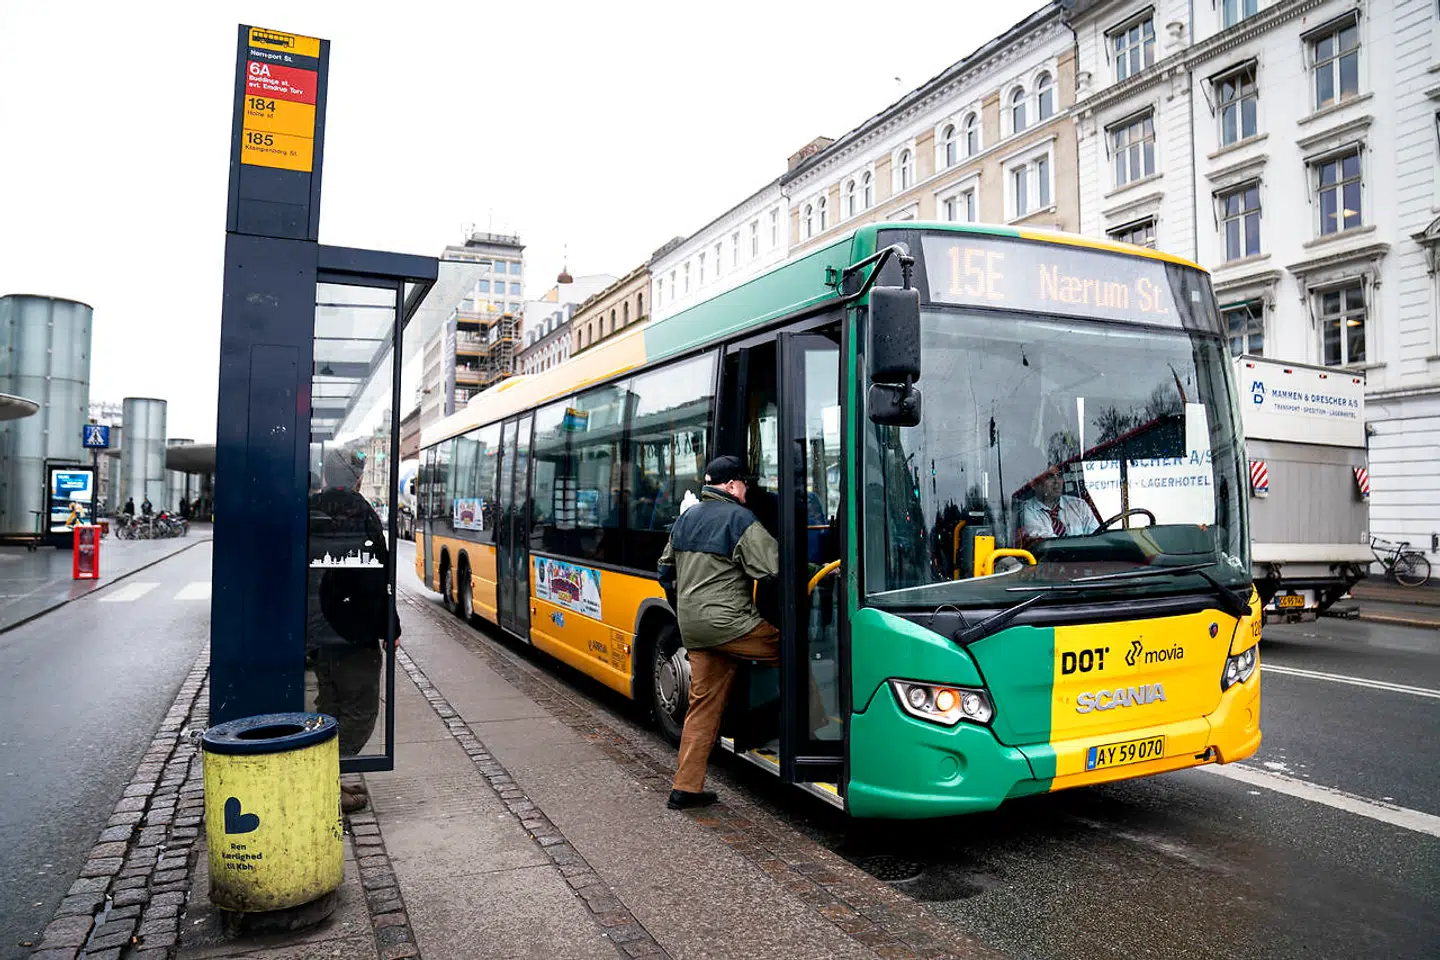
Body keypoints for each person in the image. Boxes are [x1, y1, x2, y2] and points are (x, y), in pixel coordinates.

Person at [657, 455, 783, 810]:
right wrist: (817, 570)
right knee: (795, 655)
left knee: (702, 705)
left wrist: (685, 611)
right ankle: (818, 736)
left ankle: (685, 788)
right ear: (731, 485)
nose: (746, 492)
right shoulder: (740, 518)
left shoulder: (686, 518)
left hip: (694, 629)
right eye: (744, 485)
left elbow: (665, 571)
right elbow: (772, 568)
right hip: (732, 625)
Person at [306, 454, 396, 814]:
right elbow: (377, 577)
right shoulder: (359, 511)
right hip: (351, 630)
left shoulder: (310, 507)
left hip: (315, 628)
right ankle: (325, 782)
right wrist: (390, 627)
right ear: (357, 479)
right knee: (359, 709)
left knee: (328, 705)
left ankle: (326, 779)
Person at [1018, 465, 1098, 543]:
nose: (1057, 481)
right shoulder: (1026, 510)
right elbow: (1050, 544)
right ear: (1034, 484)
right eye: (1049, 477)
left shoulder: (1079, 505)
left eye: (1059, 475)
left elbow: (1096, 538)